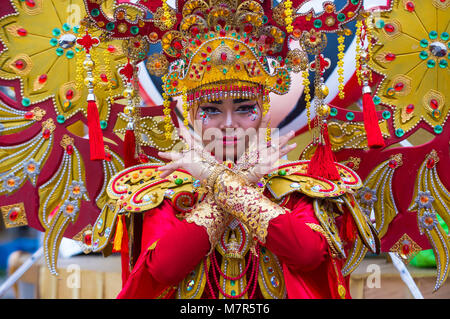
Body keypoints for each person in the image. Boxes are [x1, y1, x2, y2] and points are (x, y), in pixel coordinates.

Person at [90, 0, 379, 299]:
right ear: (189, 113)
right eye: (212, 110)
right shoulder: (162, 190)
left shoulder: (296, 188)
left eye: (243, 108)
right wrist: (238, 179)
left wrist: (217, 180)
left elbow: (308, 255)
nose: (229, 124)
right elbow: (164, 268)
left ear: (264, 109)